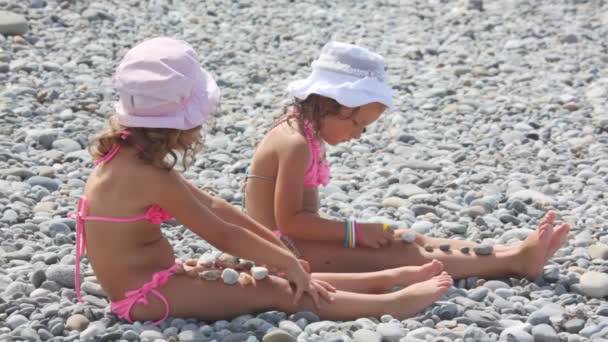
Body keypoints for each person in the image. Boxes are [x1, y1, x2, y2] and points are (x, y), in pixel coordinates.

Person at [69, 37, 454, 325]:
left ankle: (387, 277)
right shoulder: (150, 176)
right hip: (146, 297)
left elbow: (216, 207)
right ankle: (390, 304)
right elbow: (221, 233)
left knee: (266, 275)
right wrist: (285, 259)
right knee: (275, 288)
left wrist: (275, 248)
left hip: (155, 283)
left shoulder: (125, 158)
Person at [243, 41, 571, 280]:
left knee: (408, 238)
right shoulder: (296, 143)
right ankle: (513, 261)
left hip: (292, 241)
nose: (358, 134)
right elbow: (290, 222)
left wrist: (357, 234)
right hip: (281, 252)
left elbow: (306, 216)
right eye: (357, 123)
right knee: (400, 253)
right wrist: (354, 234)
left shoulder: (307, 133)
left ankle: (507, 252)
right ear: (331, 103)